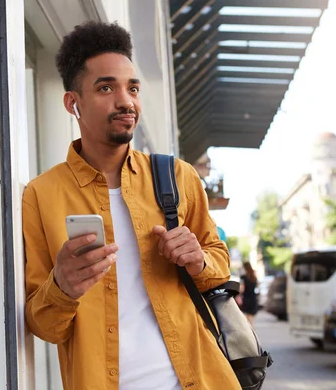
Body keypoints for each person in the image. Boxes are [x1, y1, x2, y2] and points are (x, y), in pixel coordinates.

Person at [22, 21, 240, 390]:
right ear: (73, 103)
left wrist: (198, 259)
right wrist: (63, 285)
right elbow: (44, 326)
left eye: (132, 87)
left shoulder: (177, 176)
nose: (126, 101)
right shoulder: (41, 195)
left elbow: (219, 266)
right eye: (106, 87)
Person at [239, 261, 259, 326]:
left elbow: (242, 289)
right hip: (253, 299)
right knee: (250, 318)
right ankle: (251, 333)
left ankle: (251, 334)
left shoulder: (243, 277)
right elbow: (257, 287)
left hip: (247, 299)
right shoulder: (254, 277)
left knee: (248, 319)